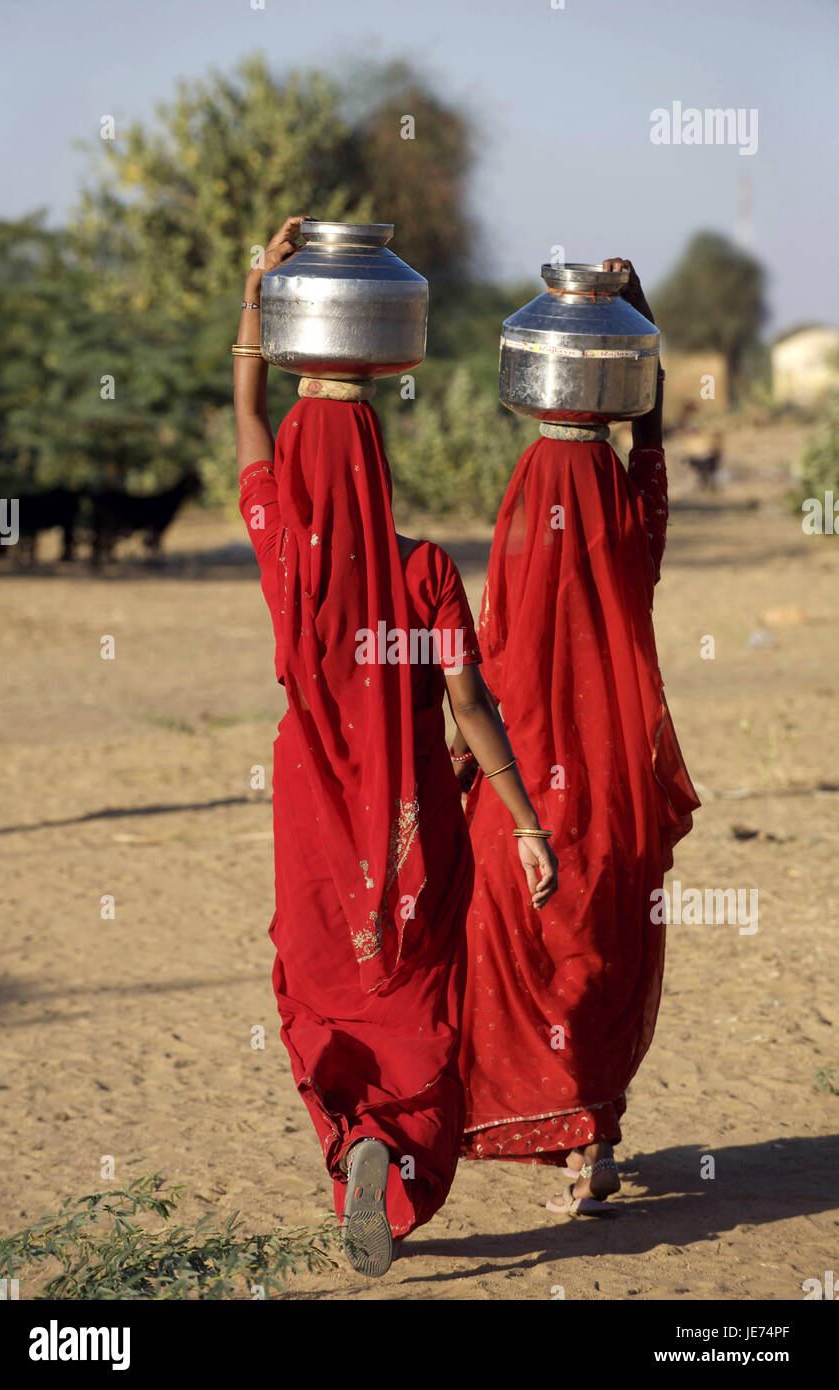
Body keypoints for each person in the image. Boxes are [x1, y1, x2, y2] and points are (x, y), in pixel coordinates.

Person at [234, 219, 557, 1273]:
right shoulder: (423, 574)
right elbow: (471, 709)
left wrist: (260, 292)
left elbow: (247, 410)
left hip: (308, 798)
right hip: (409, 804)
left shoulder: (282, 542)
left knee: (321, 977)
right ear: (378, 469)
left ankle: (351, 1142)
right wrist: (520, 818)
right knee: (415, 988)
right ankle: (391, 1146)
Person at [452, 259, 700, 1214]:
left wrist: (466, 759)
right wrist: (637, 327)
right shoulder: (630, 511)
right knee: (602, 936)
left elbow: (498, 649)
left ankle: (554, 1127)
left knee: (518, 924)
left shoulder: (525, 508)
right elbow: (650, 449)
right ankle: (594, 1139)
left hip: (532, 779)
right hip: (617, 774)